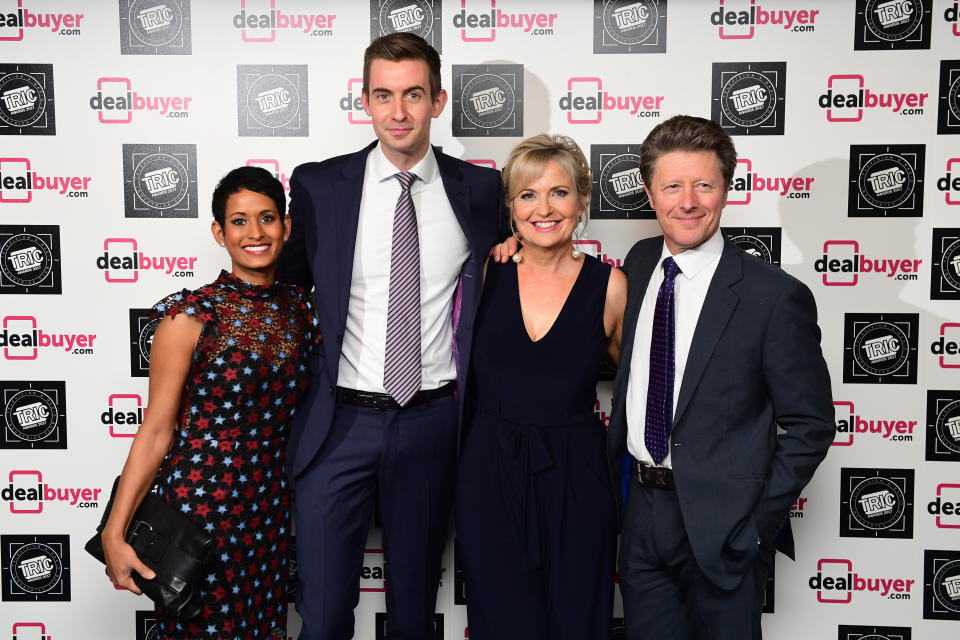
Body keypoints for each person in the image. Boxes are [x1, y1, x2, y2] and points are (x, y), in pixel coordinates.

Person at [275, 33, 507, 639]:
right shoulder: (320, 186)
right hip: (337, 425)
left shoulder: (480, 191)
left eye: (412, 95)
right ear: (366, 100)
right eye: (384, 95)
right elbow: (287, 282)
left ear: (438, 99)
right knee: (322, 614)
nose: (398, 112)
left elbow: (511, 272)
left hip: (432, 422)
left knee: (412, 614)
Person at [607, 115, 834, 640]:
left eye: (704, 185)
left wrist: (756, 527)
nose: (687, 201)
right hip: (642, 516)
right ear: (649, 192)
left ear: (726, 190)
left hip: (725, 527)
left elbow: (811, 425)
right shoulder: (639, 265)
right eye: (672, 186)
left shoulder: (774, 297)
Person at [102, 166, 314, 640]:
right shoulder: (189, 316)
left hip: (268, 510)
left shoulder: (304, 310)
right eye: (239, 221)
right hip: (199, 512)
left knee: (262, 628)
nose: (255, 233)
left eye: (267, 218)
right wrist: (113, 533)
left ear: (286, 227)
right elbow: (156, 431)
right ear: (219, 232)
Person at [455, 134, 627, 639]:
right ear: (510, 207)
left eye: (560, 192)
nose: (544, 208)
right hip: (490, 472)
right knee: (501, 620)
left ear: (582, 201)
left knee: (578, 618)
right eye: (528, 195)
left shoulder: (612, 287)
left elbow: (640, 383)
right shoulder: (484, 273)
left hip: (578, 474)